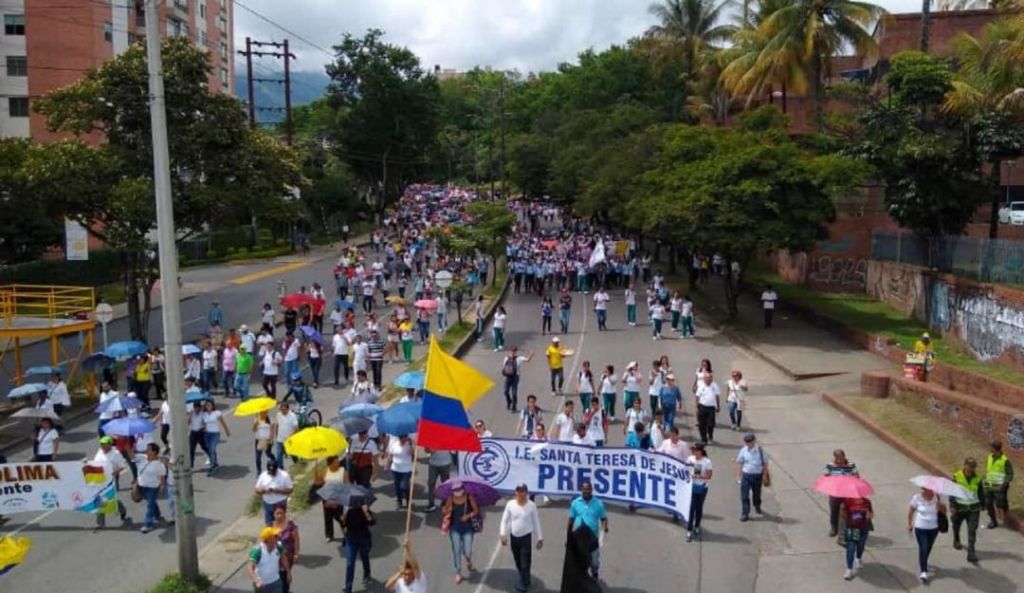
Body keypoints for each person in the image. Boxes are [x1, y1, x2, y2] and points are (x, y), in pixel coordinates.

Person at [500, 483, 544, 593]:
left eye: (522, 491)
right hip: (514, 537)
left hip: (526, 538)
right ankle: (525, 578)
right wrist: (503, 534)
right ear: (515, 492)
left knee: (525, 563)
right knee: (518, 562)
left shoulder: (531, 506)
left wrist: (539, 538)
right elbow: (504, 520)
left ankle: (523, 586)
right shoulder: (510, 504)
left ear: (526, 493)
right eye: (518, 491)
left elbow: (535, 522)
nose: (520, 493)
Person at [566, 481, 607, 581]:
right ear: (581, 490)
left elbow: (603, 519)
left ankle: (594, 573)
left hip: (593, 537)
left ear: (591, 490)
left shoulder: (598, 504)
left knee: (594, 561)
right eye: (584, 489)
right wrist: (569, 537)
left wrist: (603, 530)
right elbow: (570, 520)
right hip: (579, 538)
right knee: (580, 560)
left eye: (588, 489)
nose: (586, 491)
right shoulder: (575, 503)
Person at [442, 482, 481, 584]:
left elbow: (476, 510)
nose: (457, 492)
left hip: (467, 528)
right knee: (456, 550)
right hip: (455, 528)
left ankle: (468, 559)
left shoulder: (469, 497)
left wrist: (468, 516)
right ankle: (458, 572)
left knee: (467, 551)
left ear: (463, 489)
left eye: (459, 489)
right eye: (455, 490)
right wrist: (448, 509)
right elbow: (444, 510)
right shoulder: (450, 499)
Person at [908, 486, 946, 583]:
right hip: (920, 527)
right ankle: (923, 571)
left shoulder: (937, 497)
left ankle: (923, 561)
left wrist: (942, 507)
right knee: (923, 547)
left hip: (934, 528)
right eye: (924, 489)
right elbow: (911, 511)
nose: (926, 491)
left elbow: (944, 511)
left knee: (928, 547)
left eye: (928, 489)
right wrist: (909, 523)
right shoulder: (917, 497)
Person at [951, 458, 985, 563]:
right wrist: (952, 505)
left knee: (972, 530)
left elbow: (980, 492)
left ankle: (971, 553)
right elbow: (952, 491)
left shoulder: (978, 479)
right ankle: (956, 539)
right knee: (956, 525)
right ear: (965, 465)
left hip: (973, 509)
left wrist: (983, 504)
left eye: (973, 467)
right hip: (959, 507)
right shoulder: (957, 476)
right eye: (970, 466)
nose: (971, 469)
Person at [342, 497, 376, 593]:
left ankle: (367, 574)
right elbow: (343, 525)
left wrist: (366, 513)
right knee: (349, 564)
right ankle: (348, 588)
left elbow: (372, 522)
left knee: (364, 557)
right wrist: (344, 517)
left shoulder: (364, 508)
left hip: (363, 538)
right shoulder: (346, 509)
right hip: (350, 539)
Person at [824, 449, 859, 538]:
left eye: (841, 458)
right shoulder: (830, 465)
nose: (839, 460)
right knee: (834, 511)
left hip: (847, 493)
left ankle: (846, 529)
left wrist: (849, 478)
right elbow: (826, 476)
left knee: (848, 511)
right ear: (834, 458)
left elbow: (856, 475)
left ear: (844, 456)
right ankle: (834, 528)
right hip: (835, 493)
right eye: (837, 458)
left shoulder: (851, 465)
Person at [312, 455, 347, 541]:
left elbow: (347, 484)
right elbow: (318, 483)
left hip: (338, 497)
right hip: (327, 497)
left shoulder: (343, 471)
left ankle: (346, 531)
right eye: (335, 462)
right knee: (328, 516)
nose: (338, 463)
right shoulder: (325, 471)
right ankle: (329, 535)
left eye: (338, 461)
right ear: (330, 464)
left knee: (339, 516)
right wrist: (316, 474)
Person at [736, 433, 769, 521]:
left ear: (754, 441)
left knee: (756, 494)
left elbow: (765, 464)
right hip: (746, 475)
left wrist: (765, 476)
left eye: (750, 442)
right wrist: (738, 475)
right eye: (747, 442)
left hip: (757, 476)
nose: (749, 444)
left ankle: (757, 505)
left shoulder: (761, 451)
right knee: (744, 495)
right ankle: (745, 513)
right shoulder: (743, 450)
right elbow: (740, 463)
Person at [684, 442, 713, 541]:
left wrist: (698, 476)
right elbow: (685, 468)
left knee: (698, 508)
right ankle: (689, 529)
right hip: (691, 487)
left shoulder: (706, 462)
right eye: (693, 450)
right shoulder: (690, 459)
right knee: (691, 508)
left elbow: (709, 476)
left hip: (702, 487)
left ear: (700, 451)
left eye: (695, 450)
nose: (693, 451)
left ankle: (697, 526)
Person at [136, 443, 168, 533]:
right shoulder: (142, 458)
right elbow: (131, 456)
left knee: (150, 505)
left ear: (154, 452)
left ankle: (147, 524)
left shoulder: (158, 464)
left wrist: (162, 486)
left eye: (149, 449)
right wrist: (127, 446)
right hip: (142, 486)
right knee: (151, 502)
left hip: (152, 487)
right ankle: (157, 514)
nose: (146, 450)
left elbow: (162, 476)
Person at [248, 526, 290, 593]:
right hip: (262, 585)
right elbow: (250, 568)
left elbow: (284, 558)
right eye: (275, 536)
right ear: (268, 539)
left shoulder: (279, 546)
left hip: (276, 582)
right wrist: (257, 581)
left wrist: (288, 572)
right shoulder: (257, 550)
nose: (277, 537)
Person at [271, 504, 300, 593]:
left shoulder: (291, 525)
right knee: (276, 577)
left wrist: (296, 554)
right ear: (273, 514)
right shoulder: (270, 526)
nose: (279, 515)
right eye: (277, 513)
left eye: (281, 513)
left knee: (285, 577)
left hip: (288, 556)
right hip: (275, 558)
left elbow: (296, 540)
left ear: (284, 513)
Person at [255, 459, 294, 526]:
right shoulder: (263, 475)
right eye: (270, 472)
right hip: (267, 503)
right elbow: (257, 489)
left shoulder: (284, 475)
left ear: (277, 469)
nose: (271, 474)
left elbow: (290, 489)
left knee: (280, 523)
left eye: (273, 472)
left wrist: (278, 491)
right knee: (269, 524)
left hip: (280, 503)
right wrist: (264, 491)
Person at [984, 439, 1013, 528]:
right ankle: (993, 521)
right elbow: (989, 470)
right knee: (988, 503)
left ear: (995, 448)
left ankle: (1006, 514)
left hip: (1000, 486)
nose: (989, 448)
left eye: (991, 447)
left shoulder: (1005, 460)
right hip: (989, 485)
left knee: (1001, 503)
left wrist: (1005, 483)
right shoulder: (989, 457)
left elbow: (1010, 473)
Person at [201, 399, 230, 474]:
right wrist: (203, 427)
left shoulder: (217, 413)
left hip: (215, 434)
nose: (208, 406)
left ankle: (212, 466)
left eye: (210, 405)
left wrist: (226, 430)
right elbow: (203, 424)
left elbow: (223, 422)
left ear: (213, 406)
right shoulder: (204, 414)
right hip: (207, 434)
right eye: (207, 405)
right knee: (211, 449)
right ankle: (215, 462)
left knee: (211, 449)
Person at [502, 346, 534, 412]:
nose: (513, 352)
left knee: (514, 393)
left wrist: (531, 354)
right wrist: (505, 372)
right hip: (508, 377)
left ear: (516, 352)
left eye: (514, 351)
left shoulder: (519, 358)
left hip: (515, 377)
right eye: (512, 351)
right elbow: (504, 366)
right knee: (506, 391)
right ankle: (509, 402)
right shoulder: (506, 358)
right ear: (510, 351)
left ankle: (514, 406)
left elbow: (527, 360)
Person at [387, 434, 414, 510]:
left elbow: (413, 455)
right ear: (399, 438)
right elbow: (390, 456)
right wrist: (387, 465)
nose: (403, 439)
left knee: (404, 486)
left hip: (406, 469)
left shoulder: (409, 445)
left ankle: (408, 500)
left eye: (404, 437)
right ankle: (399, 502)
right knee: (397, 487)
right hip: (395, 469)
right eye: (401, 437)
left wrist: (411, 444)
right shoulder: (394, 444)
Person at [425, 448, 454, 512]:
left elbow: (453, 449)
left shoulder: (448, 438)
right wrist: (429, 449)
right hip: (433, 464)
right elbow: (426, 450)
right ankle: (431, 504)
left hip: (445, 464)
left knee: (445, 484)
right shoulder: (430, 438)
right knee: (431, 483)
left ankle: (445, 501)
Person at [694, 373, 720, 444]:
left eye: (710, 378)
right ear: (704, 379)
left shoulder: (714, 385)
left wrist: (718, 406)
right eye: (706, 378)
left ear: (712, 379)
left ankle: (710, 435)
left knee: (711, 424)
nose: (708, 380)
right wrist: (697, 406)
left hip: (711, 407)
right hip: (702, 406)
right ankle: (704, 439)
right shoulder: (701, 386)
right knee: (702, 424)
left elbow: (717, 396)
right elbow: (697, 396)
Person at [273, 402, 299, 470]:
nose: (283, 411)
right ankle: (280, 469)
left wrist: (289, 437)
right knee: (279, 455)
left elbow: (296, 429)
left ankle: (298, 465)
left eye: (284, 409)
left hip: (289, 440)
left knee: (293, 454)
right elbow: (277, 425)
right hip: (280, 439)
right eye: (282, 409)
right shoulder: (279, 415)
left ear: (288, 409)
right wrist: (276, 435)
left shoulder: (292, 416)